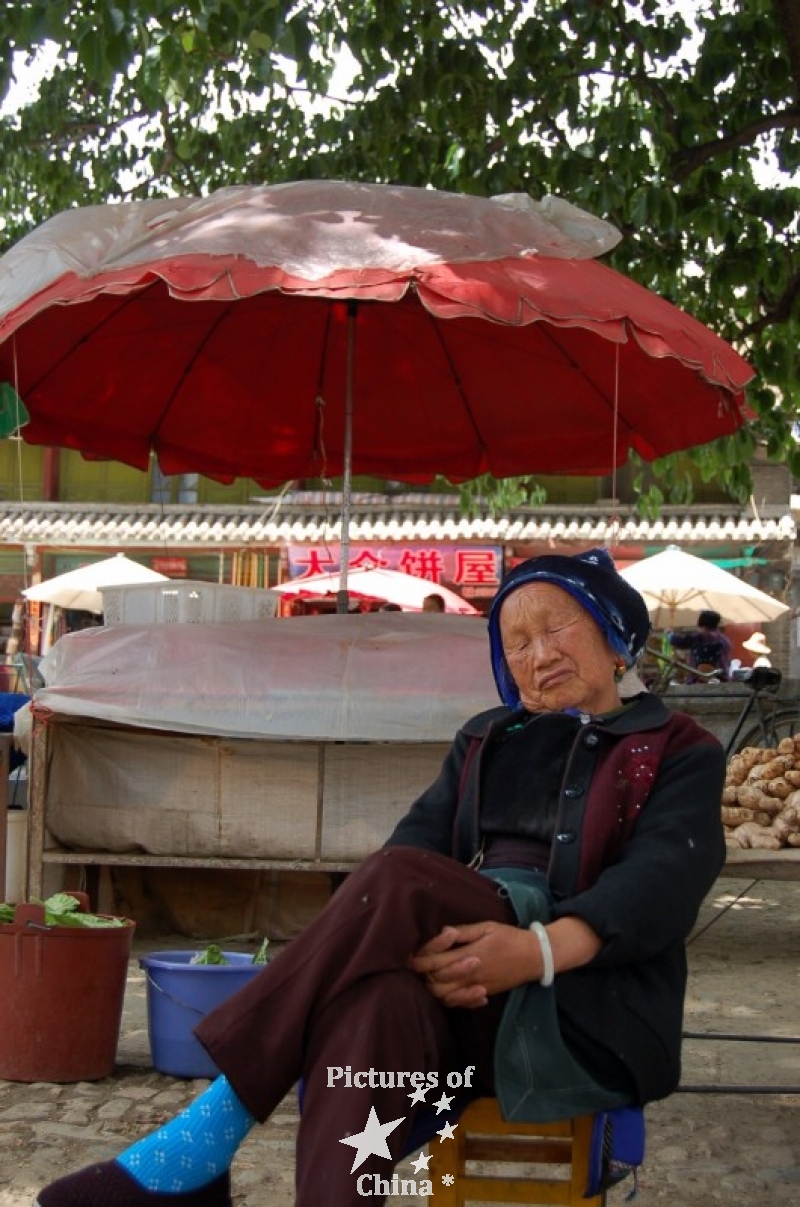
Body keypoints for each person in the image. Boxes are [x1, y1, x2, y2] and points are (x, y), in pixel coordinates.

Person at [37, 548, 727, 1207]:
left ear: (613, 637)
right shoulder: (487, 738)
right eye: (516, 642)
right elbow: (412, 850)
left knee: (397, 882)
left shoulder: (678, 748)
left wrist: (534, 950)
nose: (538, 654)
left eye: (555, 628)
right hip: (463, 1021)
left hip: (586, 1022)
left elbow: (663, 882)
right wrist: (435, 953)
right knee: (364, 1016)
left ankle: (203, 1138)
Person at [668, 608, 732, 681]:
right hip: (722, 679)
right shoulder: (725, 640)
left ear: (701, 623)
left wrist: (670, 635)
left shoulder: (700, 637)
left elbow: (680, 642)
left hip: (699, 680)